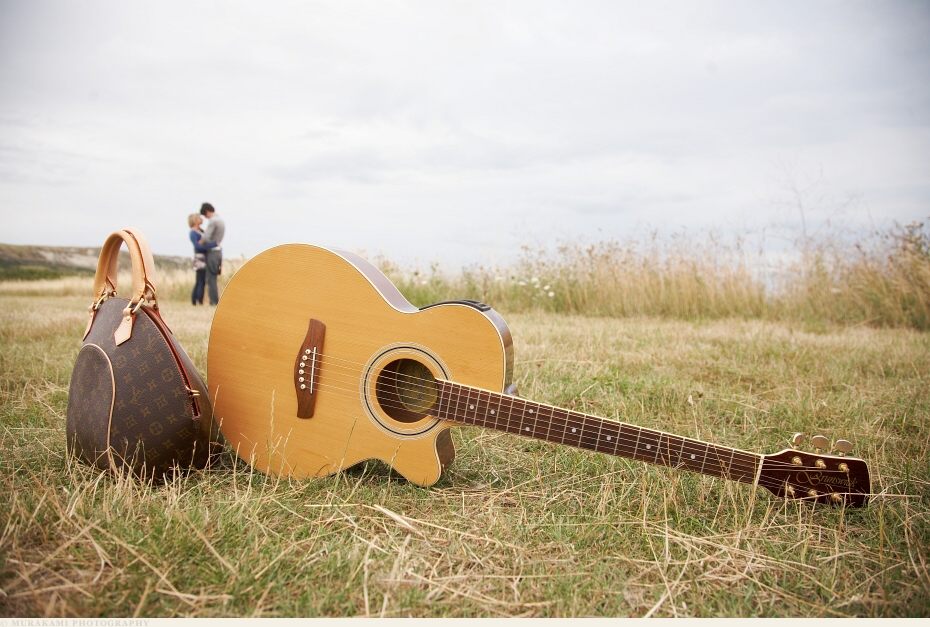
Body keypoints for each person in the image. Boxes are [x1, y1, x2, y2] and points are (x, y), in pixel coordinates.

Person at [199, 202, 226, 306]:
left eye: (205, 215)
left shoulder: (213, 221)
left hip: (212, 252)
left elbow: (206, 237)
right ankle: (215, 301)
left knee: (211, 278)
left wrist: (199, 243)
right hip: (219, 251)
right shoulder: (220, 220)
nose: (206, 218)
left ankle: (214, 302)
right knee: (214, 276)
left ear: (207, 212)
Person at [187, 213, 215, 305]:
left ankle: (197, 300)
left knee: (201, 280)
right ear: (195, 220)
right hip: (199, 258)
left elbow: (204, 242)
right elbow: (198, 246)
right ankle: (197, 301)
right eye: (199, 218)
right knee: (200, 280)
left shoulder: (201, 231)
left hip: (205, 258)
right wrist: (212, 245)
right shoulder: (193, 232)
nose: (201, 219)